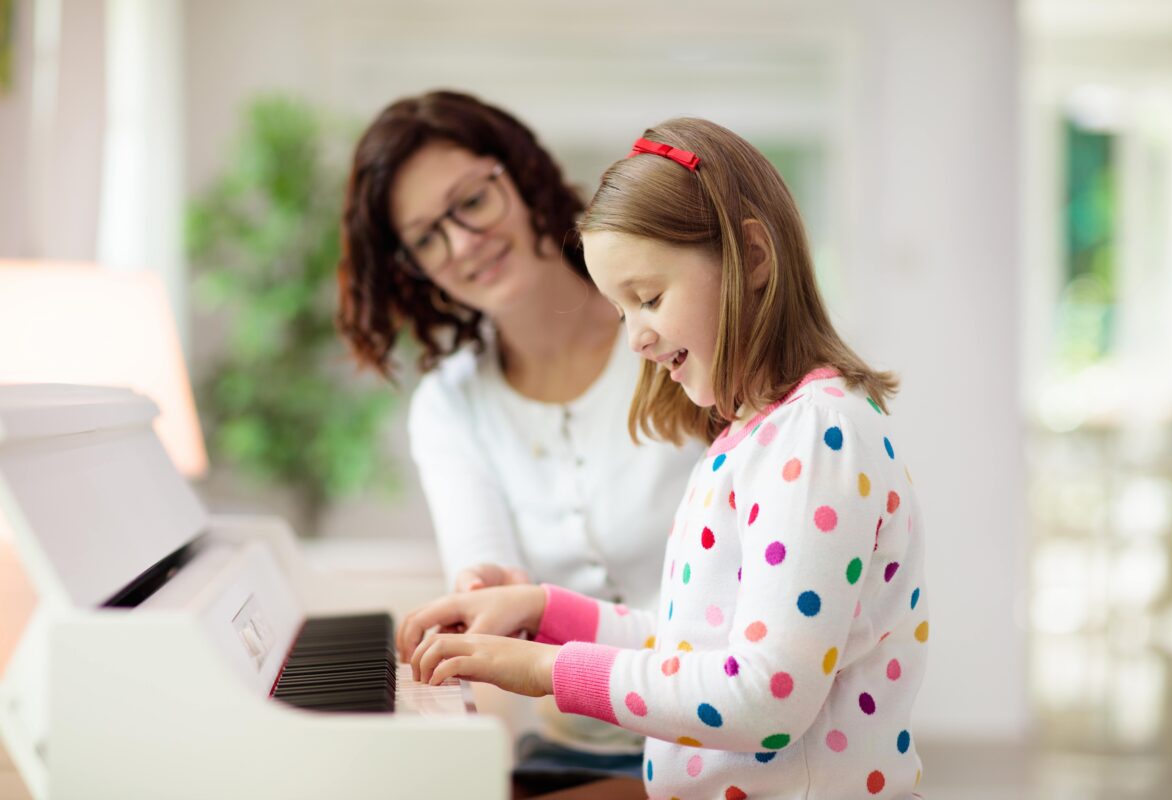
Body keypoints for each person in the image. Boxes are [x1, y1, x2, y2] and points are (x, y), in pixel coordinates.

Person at [397, 118, 930, 799]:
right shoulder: (756, 437)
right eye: (622, 312)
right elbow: (690, 646)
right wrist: (542, 609)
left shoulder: (818, 436)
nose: (636, 341)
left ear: (754, 258)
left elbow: (765, 698)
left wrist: (544, 672)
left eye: (647, 299)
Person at [336, 91, 703, 787]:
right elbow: (488, 573)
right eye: (424, 238)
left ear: (523, 174)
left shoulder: (673, 335)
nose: (463, 244)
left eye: (471, 201)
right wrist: (486, 593)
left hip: (731, 734)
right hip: (582, 747)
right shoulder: (449, 406)